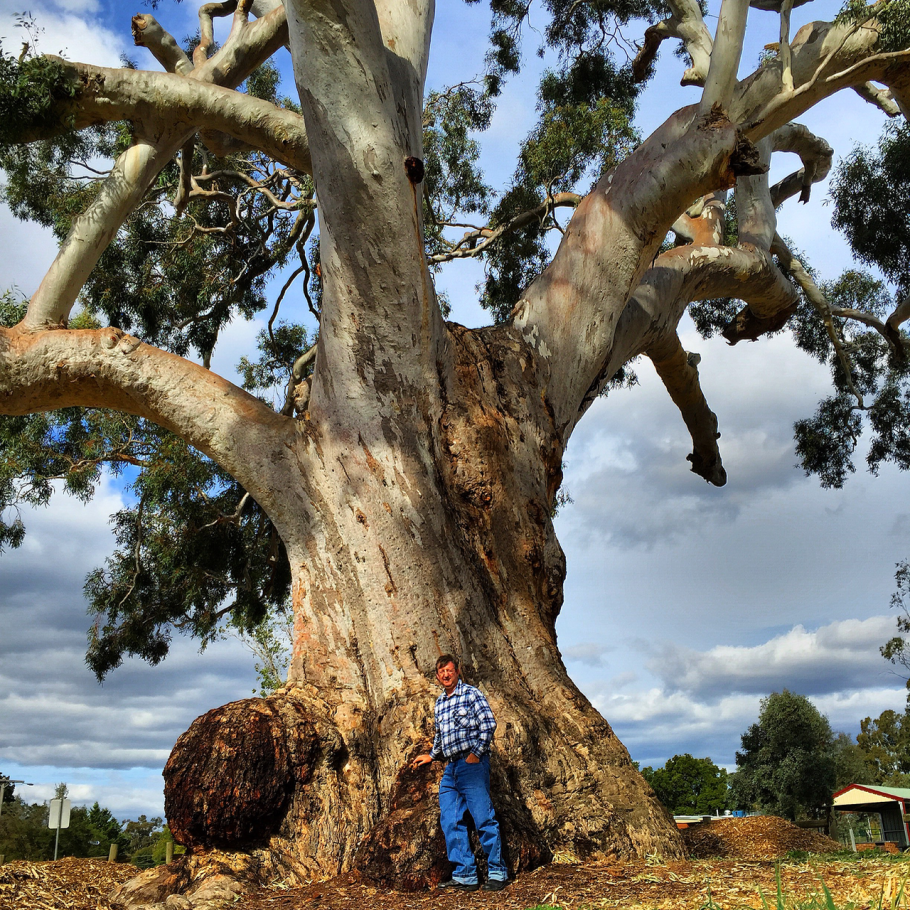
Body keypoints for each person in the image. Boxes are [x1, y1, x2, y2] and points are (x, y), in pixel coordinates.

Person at [411, 654, 510, 892]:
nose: (446, 675)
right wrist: (432, 755)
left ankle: (498, 872)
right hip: (451, 767)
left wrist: (475, 754)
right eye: (441, 672)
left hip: (472, 765)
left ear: (457, 672)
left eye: (450, 670)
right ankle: (465, 874)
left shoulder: (471, 694)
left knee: (483, 818)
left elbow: (488, 724)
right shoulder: (440, 703)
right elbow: (441, 735)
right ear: (437, 676)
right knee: (450, 820)